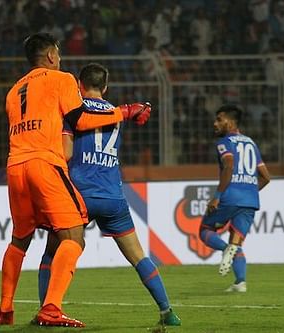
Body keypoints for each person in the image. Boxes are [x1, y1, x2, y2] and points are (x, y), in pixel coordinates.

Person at [0, 33, 152, 327]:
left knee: (20, 239)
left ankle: (5, 310)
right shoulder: (61, 79)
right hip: (45, 163)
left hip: (15, 167)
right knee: (74, 235)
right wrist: (124, 112)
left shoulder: (14, 91)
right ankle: (51, 308)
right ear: (52, 55)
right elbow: (81, 120)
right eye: (59, 54)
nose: (61, 59)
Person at [36, 63, 181, 326]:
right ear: (105, 86)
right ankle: (167, 311)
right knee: (138, 256)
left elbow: (67, 153)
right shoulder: (116, 114)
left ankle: (47, 310)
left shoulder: (73, 112)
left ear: (79, 85)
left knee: (52, 252)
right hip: (113, 195)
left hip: (78, 195)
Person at [200, 104, 270, 292]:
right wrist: (249, 190)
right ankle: (240, 282)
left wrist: (217, 197)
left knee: (205, 230)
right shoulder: (251, 143)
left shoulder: (225, 142)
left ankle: (225, 251)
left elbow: (229, 165)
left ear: (230, 122)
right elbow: (266, 176)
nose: (215, 123)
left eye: (219, 119)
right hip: (250, 200)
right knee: (235, 241)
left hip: (230, 196)